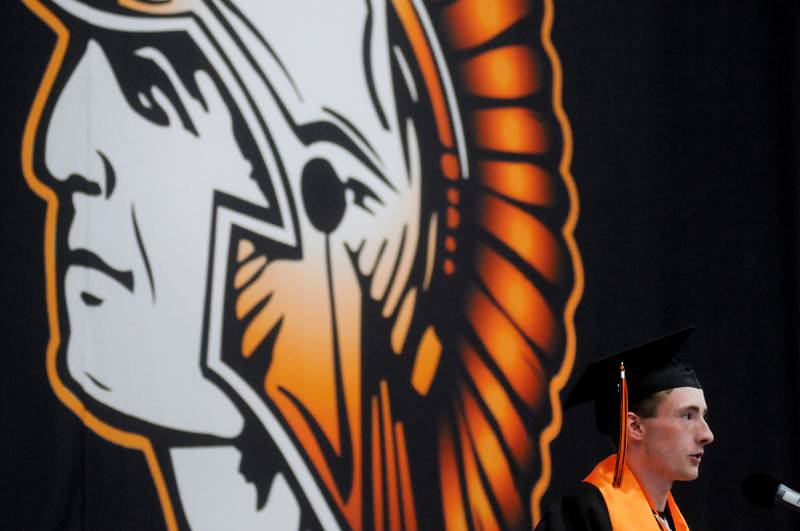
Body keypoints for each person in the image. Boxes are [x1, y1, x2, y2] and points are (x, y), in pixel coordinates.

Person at [536, 327, 714, 531]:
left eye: (704, 416)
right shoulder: (584, 516)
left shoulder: (670, 522)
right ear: (635, 426)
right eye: (687, 416)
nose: (707, 435)